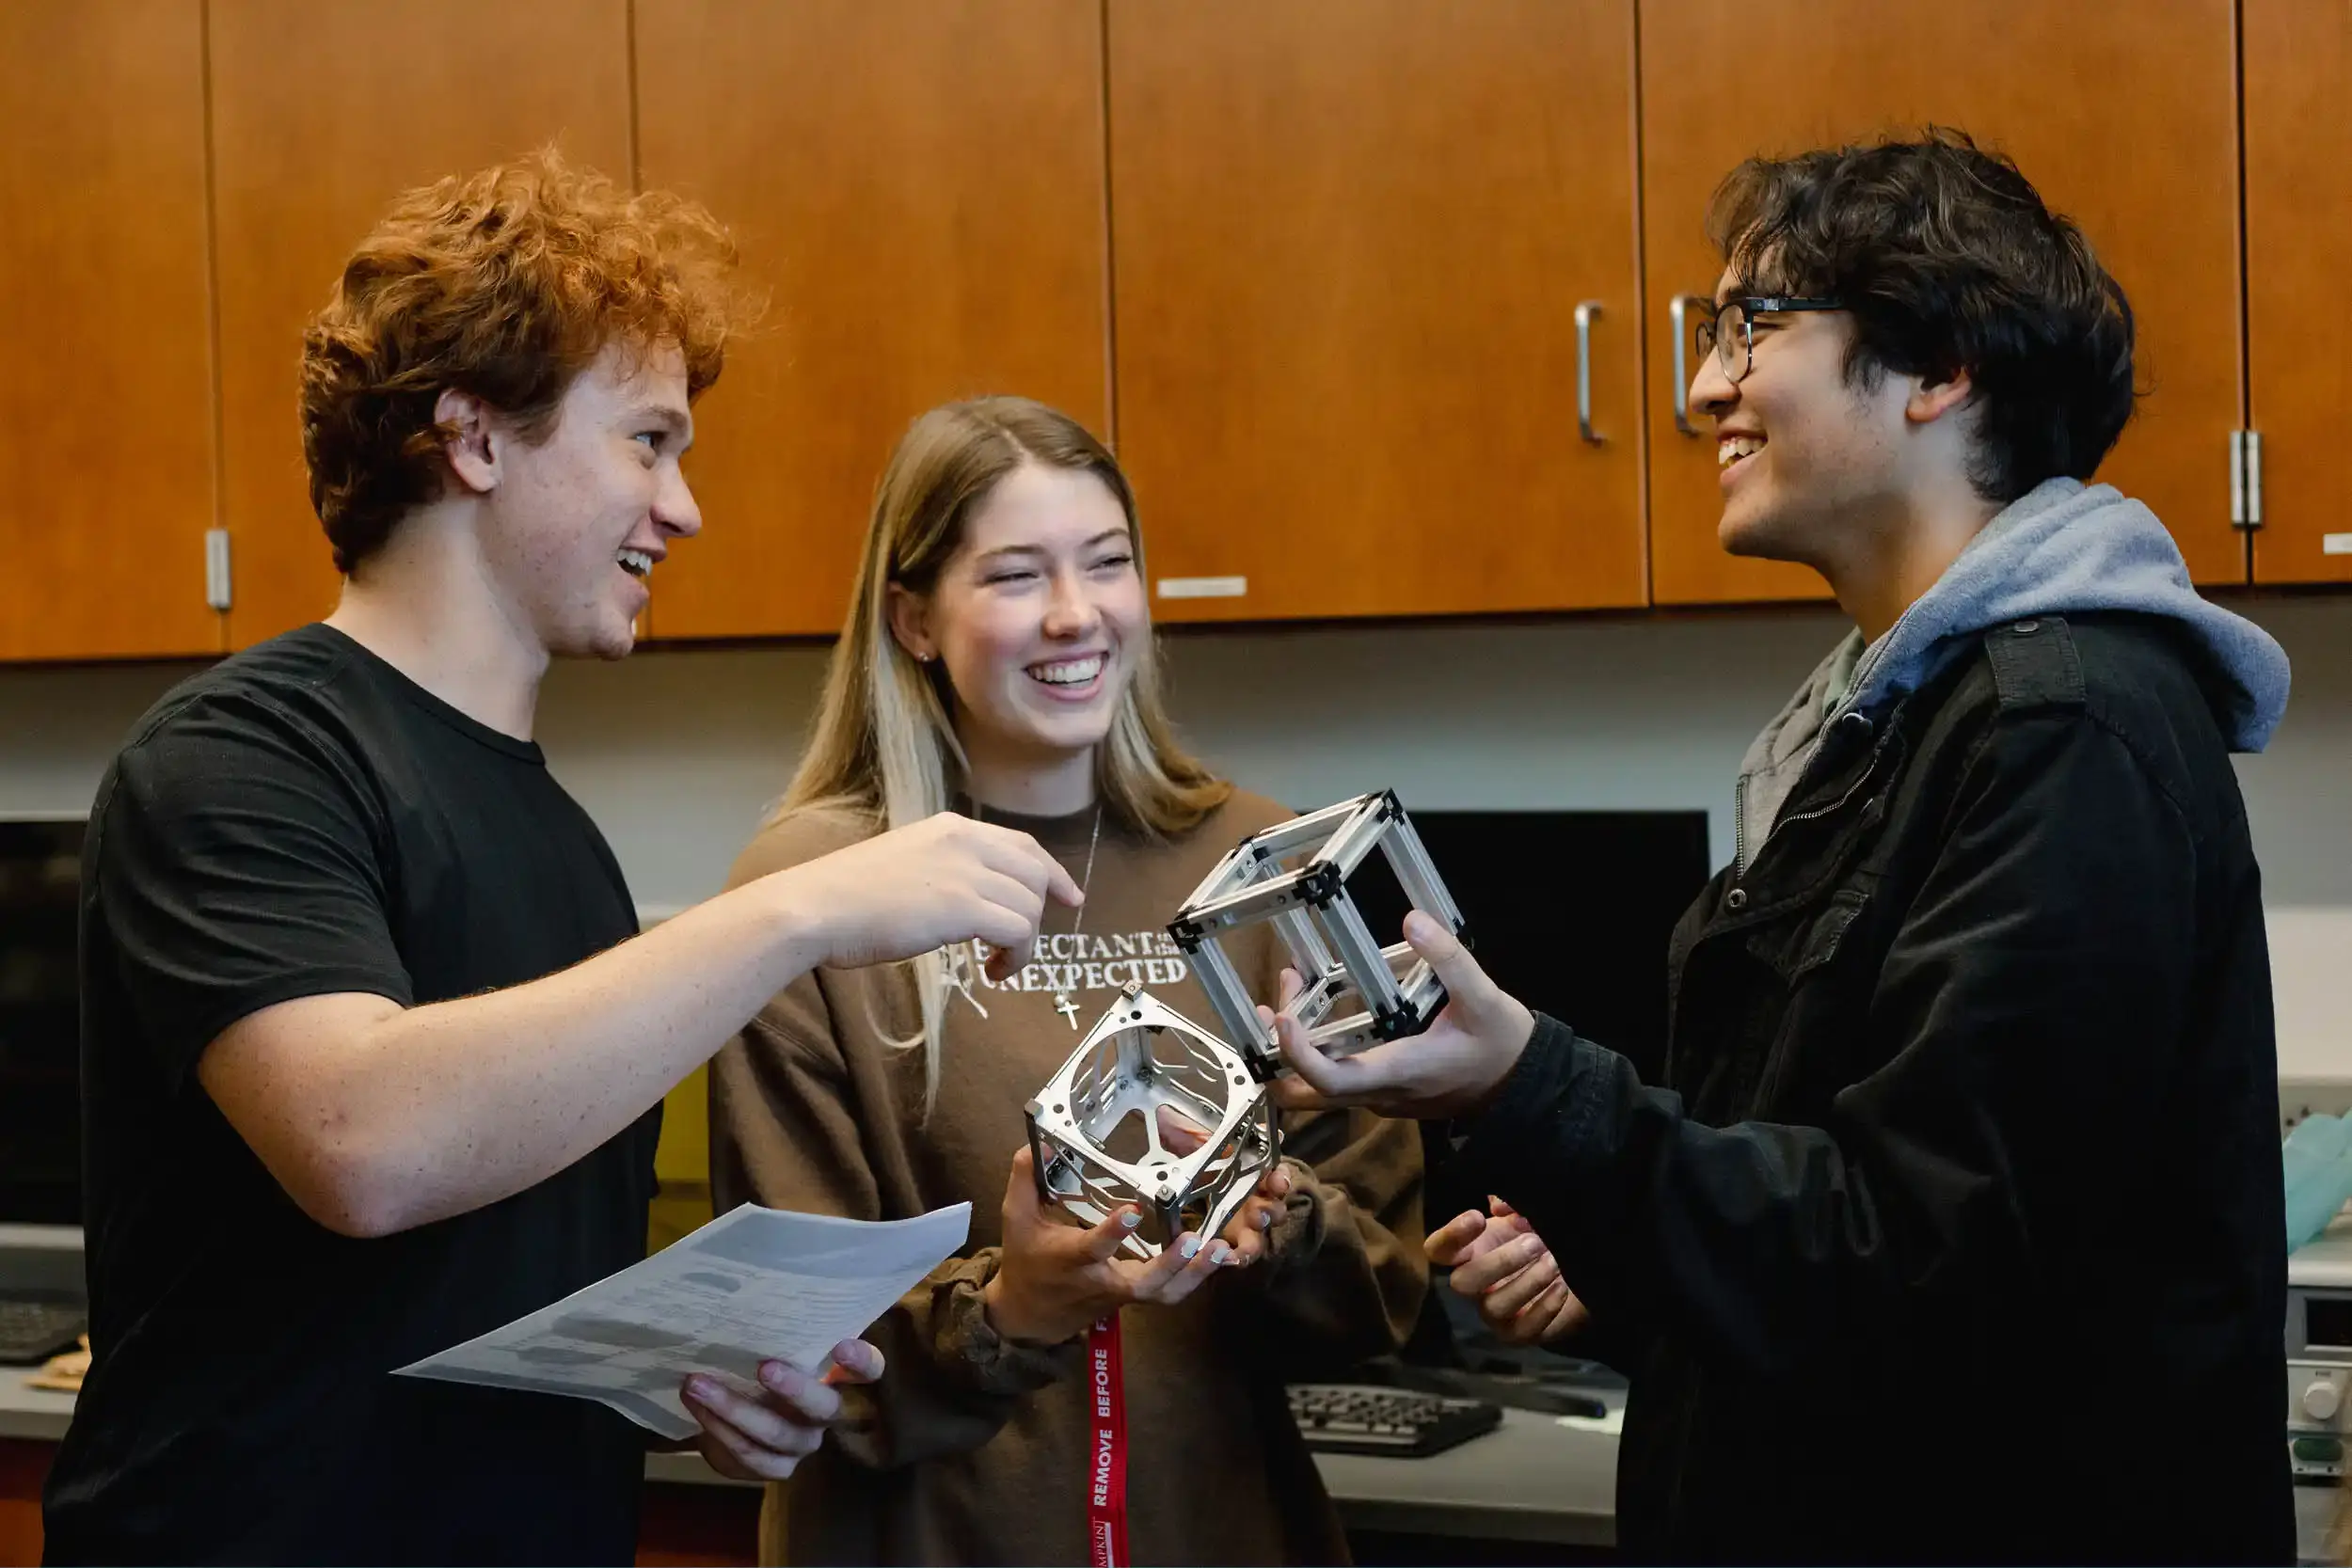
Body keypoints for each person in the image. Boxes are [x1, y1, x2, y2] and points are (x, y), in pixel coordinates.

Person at [1268, 131, 2295, 1563]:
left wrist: (1531, 1080)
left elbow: (1924, 1265)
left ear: (1939, 369)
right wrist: (1616, 1269)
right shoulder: (1878, 726)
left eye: (1751, 326)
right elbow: (1825, 1247)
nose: (1701, 387)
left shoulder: (2062, 730)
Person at [41, 154, 1080, 1566]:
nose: (685, 506)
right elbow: (365, 1143)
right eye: (648, 441)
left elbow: (499, 1291)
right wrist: (799, 907)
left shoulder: (563, 841)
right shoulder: (242, 753)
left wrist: (697, 1387)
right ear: (474, 436)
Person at [708, 395, 1427, 1566]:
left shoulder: (1255, 866)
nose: (1073, 614)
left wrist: (1278, 1215)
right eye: (1011, 576)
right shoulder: (813, 892)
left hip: (1222, 1528)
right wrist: (1010, 1314)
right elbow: (788, 1338)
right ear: (914, 619)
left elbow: (1383, 1295)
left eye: (1107, 563)